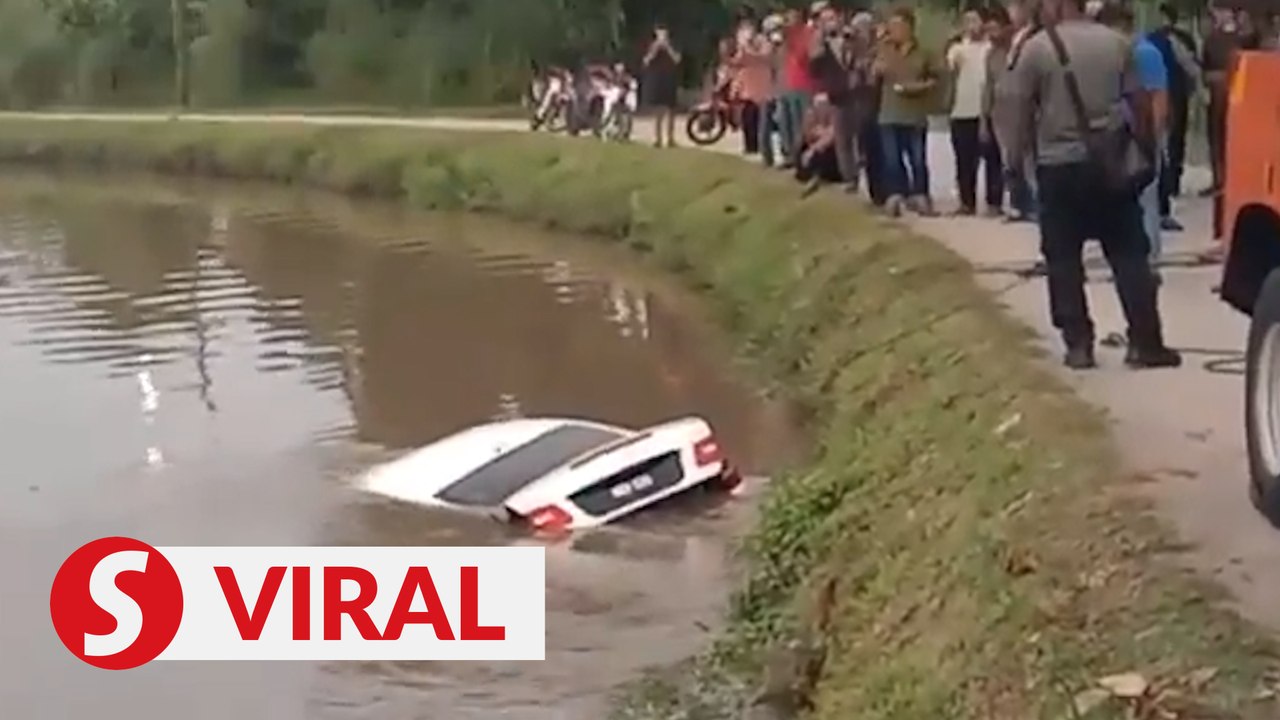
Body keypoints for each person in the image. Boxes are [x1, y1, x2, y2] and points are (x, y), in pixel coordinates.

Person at [1008, 0, 1180, 370]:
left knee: (1063, 258)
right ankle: (1145, 342)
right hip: (1112, 163)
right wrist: (1146, 153)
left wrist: (1017, 162)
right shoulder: (1117, 43)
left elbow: (1019, 110)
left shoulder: (1036, 49)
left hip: (1058, 167)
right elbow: (1140, 103)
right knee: (1130, 254)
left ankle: (1078, 343)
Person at [1099, 3, 1168, 276]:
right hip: (1119, 136)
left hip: (1142, 136)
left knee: (1146, 197)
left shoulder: (1145, 54)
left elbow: (1158, 97)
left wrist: (1153, 136)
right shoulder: (1117, 55)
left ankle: (1150, 259)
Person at [873, 6, 940, 217]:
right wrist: (877, 65)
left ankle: (920, 196)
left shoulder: (924, 52)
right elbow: (872, 76)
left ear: (910, 27)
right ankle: (895, 195)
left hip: (914, 113)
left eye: (898, 26)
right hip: (889, 112)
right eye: (891, 26)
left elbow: (936, 79)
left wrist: (917, 87)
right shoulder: (884, 49)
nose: (894, 30)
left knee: (918, 159)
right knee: (892, 159)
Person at [1147, 3, 1198, 228]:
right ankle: (1165, 200)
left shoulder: (1154, 40)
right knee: (1169, 148)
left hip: (1164, 98)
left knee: (1167, 149)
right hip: (1173, 97)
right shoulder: (1174, 40)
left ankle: (1165, 197)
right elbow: (1191, 68)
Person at [948, 7, 1002, 216]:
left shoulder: (992, 49)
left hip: (987, 110)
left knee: (992, 158)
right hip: (962, 109)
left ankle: (994, 202)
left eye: (975, 20)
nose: (971, 25)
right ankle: (966, 201)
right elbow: (949, 68)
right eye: (967, 21)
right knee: (964, 160)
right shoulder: (958, 49)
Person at [809, 3, 862, 192]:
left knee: (862, 136)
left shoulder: (852, 37)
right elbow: (814, 71)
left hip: (859, 93)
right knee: (842, 139)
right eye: (825, 20)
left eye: (832, 18)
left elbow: (861, 56)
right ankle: (850, 178)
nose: (830, 23)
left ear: (840, 18)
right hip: (837, 95)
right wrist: (818, 47)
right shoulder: (821, 46)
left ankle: (873, 179)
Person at [992, 0, 1038, 222]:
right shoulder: (1009, 36)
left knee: (1028, 156)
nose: (1011, 11)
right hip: (1005, 104)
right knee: (1009, 157)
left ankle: (1036, 204)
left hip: (1024, 104)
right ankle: (1018, 203)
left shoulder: (1035, 35)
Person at [779, 6, 819, 166]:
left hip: (806, 84)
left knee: (803, 124)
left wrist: (791, 46)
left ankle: (804, 157)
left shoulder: (808, 34)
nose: (788, 22)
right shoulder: (787, 36)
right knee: (787, 122)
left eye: (792, 18)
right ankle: (790, 156)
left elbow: (805, 58)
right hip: (790, 84)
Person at [733, 19, 774, 157]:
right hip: (748, 86)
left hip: (762, 85)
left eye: (748, 27)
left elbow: (764, 57)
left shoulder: (764, 41)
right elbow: (739, 61)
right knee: (747, 118)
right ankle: (749, 146)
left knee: (760, 120)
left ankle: (762, 147)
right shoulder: (743, 45)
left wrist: (748, 49)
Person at [642, 23, 682, 148]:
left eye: (664, 32)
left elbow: (677, 59)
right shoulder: (651, 45)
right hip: (657, 80)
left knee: (671, 110)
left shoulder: (674, 44)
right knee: (658, 111)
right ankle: (657, 139)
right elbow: (646, 61)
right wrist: (656, 48)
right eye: (660, 32)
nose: (662, 34)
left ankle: (670, 138)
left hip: (670, 79)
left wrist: (668, 47)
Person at [795, 92, 842, 189]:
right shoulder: (811, 113)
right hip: (815, 143)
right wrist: (820, 133)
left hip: (830, 148)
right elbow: (807, 131)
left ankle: (822, 175)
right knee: (800, 150)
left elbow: (833, 134)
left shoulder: (835, 112)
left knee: (823, 154)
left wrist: (815, 147)